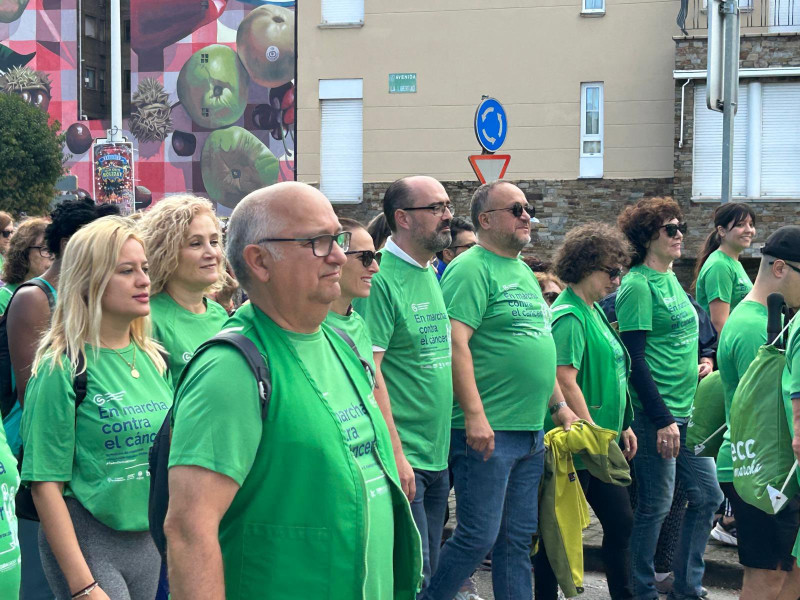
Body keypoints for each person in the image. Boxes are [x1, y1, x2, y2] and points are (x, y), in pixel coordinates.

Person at [164, 182, 422, 599]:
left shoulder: (342, 344)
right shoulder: (230, 369)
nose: (339, 255)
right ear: (260, 261)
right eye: (318, 243)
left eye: (336, 239)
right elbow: (189, 530)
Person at [425, 181, 579, 600]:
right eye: (515, 209)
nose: (526, 215)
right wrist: (474, 415)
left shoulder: (524, 272)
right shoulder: (471, 267)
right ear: (486, 220)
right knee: (477, 537)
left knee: (516, 539)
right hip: (488, 430)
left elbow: (537, 343)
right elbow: (454, 341)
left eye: (527, 207)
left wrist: (560, 406)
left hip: (529, 432)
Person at [21, 216, 170, 600]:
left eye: (145, 269)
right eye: (126, 271)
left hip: (148, 541)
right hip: (89, 541)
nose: (143, 281)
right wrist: (83, 586)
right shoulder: (62, 367)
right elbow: (44, 484)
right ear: (88, 280)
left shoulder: (153, 359)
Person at [5, 198, 117, 600]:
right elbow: (30, 390)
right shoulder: (36, 296)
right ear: (69, 243)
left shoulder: (96, 293)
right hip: (41, 443)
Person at [615, 197, 723, 600]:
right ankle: (640, 589)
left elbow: (685, 335)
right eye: (670, 229)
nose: (680, 235)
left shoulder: (671, 278)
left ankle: (686, 587)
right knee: (655, 506)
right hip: (654, 415)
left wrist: (704, 358)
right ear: (647, 238)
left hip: (688, 411)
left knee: (708, 496)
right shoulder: (638, 286)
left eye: (680, 228)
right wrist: (661, 420)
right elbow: (634, 360)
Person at [352, 176, 454, 593]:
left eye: (447, 204)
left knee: (424, 578)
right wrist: (396, 454)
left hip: (436, 454)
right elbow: (370, 373)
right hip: (404, 457)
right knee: (412, 578)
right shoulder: (380, 279)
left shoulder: (429, 271)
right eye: (436, 207)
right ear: (403, 219)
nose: (448, 214)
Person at [533, 222, 636, 600]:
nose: (616, 280)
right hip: (579, 444)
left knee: (618, 524)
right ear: (584, 266)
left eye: (619, 271)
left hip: (597, 440)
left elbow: (613, 372)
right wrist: (592, 430)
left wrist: (623, 425)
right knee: (559, 531)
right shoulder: (570, 315)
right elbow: (561, 376)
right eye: (610, 271)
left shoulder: (590, 309)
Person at [717, 225, 800, 600]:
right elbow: (769, 410)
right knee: (766, 578)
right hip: (762, 466)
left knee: (787, 573)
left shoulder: (767, 320)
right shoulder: (757, 328)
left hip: (766, 464)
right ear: (780, 268)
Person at [138, 194, 229, 383]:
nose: (211, 253)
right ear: (164, 252)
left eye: (214, 242)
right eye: (196, 244)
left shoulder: (219, 313)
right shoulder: (147, 319)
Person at [693, 202, 756, 333]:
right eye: (740, 225)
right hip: (725, 349)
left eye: (751, 224)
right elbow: (719, 325)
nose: (749, 230)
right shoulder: (719, 265)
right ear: (722, 231)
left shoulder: (733, 262)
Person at [326, 217, 380, 362]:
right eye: (366, 257)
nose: (375, 268)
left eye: (376, 257)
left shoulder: (358, 323)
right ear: (336, 258)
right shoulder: (311, 329)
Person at [0, 217, 52, 314]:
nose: (52, 256)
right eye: (45, 249)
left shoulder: (53, 293)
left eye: (53, 250)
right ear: (23, 252)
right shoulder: (3, 298)